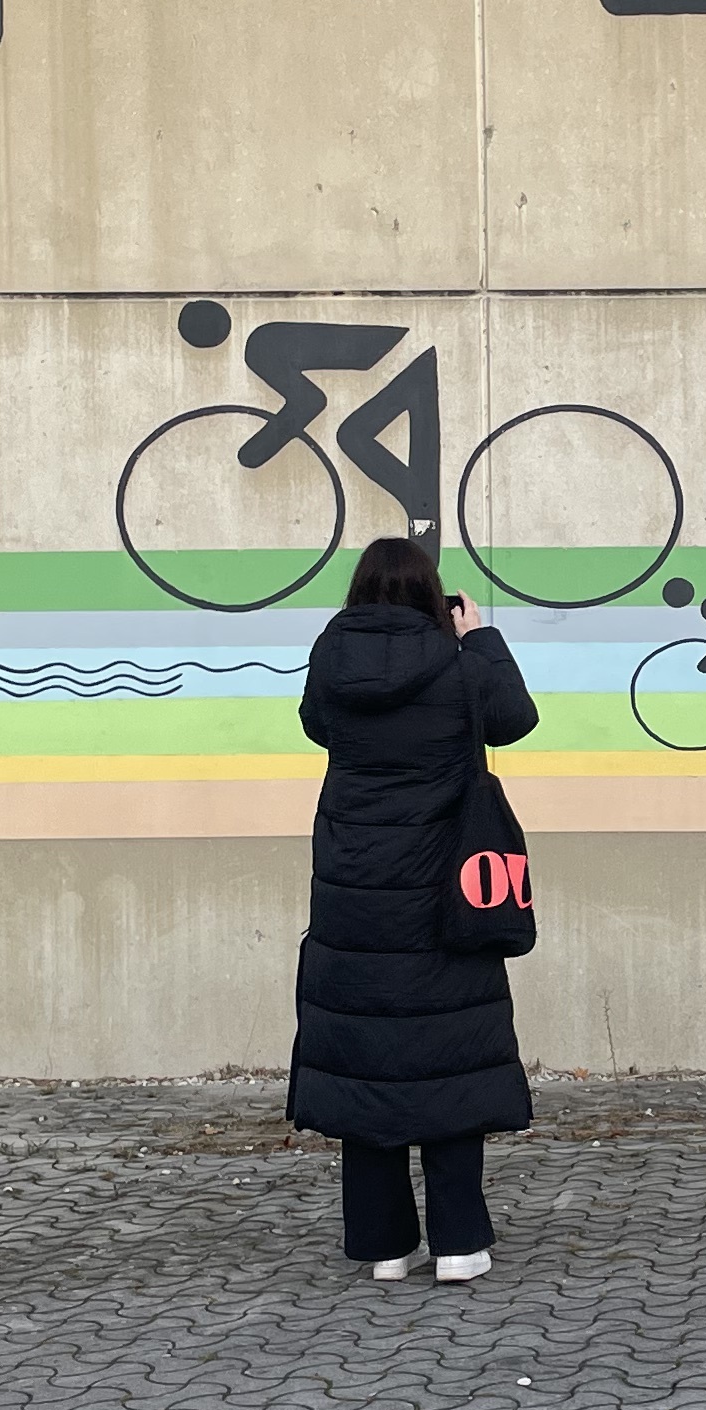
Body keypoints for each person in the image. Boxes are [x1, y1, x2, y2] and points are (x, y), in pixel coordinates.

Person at [287, 536, 540, 1283]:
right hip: (443, 894)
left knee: (367, 1062)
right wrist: (479, 637)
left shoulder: (332, 659)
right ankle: (458, 1244)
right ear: (435, 595)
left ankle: (385, 1247)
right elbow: (514, 719)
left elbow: (316, 727)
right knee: (447, 1062)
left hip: (355, 896)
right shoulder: (460, 665)